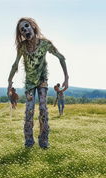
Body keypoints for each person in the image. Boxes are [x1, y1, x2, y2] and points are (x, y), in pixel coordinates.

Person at [7, 17, 69, 148]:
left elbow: (61, 58)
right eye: (22, 30)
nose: (25, 30)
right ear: (21, 34)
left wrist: (66, 78)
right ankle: (29, 141)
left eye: (26, 26)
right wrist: (9, 82)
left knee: (43, 109)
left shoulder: (45, 44)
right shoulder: (22, 47)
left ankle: (44, 141)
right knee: (29, 110)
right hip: (29, 83)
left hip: (42, 81)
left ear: (33, 26)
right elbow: (15, 65)